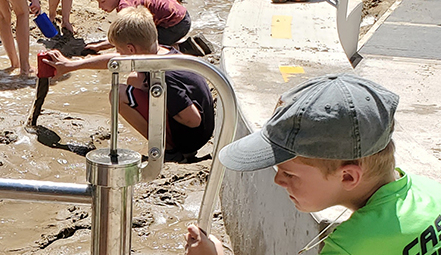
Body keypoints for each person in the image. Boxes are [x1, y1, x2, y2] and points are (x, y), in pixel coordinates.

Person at [184, 73, 441, 255]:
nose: (278, 180)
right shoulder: (432, 192)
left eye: (289, 173)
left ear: (349, 177)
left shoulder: (349, 247)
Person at [42, 6, 215, 162]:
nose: (118, 54)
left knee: (119, 94)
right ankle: (169, 140)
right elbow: (115, 61)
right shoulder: (161, 51)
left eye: (119, 50)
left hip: (191, 139)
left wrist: (163, 103)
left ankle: (168, 150)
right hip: (200, 132)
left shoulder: (166, 76)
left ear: (131, 50)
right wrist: (73, 65)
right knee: (134, 79)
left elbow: (193, 120)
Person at [87, 0, 190, 50]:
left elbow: (122, 37)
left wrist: (99, 47)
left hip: (177, 24)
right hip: (181, 16)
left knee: (143, 46)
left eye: (102, 1)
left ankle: (181, 49)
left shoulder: (126, 7)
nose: (100, 6)